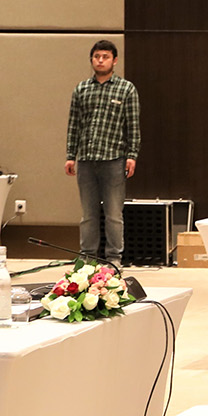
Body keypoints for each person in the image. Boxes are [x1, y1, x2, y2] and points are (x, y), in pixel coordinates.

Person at [64, 40, 140, 263]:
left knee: (113, 214)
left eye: (105, 57)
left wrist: (132, 156)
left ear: (114, 61)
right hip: (87, 160)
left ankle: (114, 259)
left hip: (114, 159)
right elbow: (74, 125)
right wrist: (70, 155)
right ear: (91, 60)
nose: (100, 60)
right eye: (96, 56)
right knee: (88, 215)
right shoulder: (81, 89)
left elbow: (133, 126)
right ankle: (87, 258)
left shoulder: (126, 89)